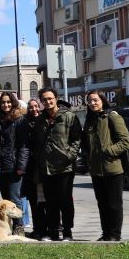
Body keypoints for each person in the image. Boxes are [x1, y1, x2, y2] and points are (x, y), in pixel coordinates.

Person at [33, 87, 81, 241]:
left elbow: (77, 139)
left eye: (50, 98)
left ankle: (67, 232)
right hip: (46, 167)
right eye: (44, 99)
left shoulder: (69, 116)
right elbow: (36, 142)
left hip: (64, 167)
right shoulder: (40, 120)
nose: (48, 102)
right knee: (50, 202)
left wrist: (70, 155)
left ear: (56, 98)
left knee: (65, 201)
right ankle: (53, 232)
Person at [82, 91, 129, 241]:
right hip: (97, 171)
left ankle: (115, 235)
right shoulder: (90, 120)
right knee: (102, 205)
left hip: (113, 169)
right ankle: (106, 234)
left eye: (95, 100)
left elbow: (125, 142)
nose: (92, 103)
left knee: (114, 205)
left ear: (102, 100)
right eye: (90, 101)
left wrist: (108, 151)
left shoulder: (112, 116)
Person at [0, 92, 28, 235]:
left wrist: (21, 166)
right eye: (3, 102)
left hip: (14, 166)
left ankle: (19, 227)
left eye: (8, 102)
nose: (5, 105)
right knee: (6, 200)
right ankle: (9, 227)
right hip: (2, 166)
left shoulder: (20, 120)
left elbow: (24, 145)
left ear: (13, 103)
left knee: (15, 199)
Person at [20, 98, 47, 239]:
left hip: (44, 167)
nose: (34, 109)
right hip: (30, 168)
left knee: (45, 200)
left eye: (37, 106)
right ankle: (38, 229)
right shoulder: (24, 123)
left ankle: (48, 228)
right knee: (33, 200)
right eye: (31, 107)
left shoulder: (45, 121)